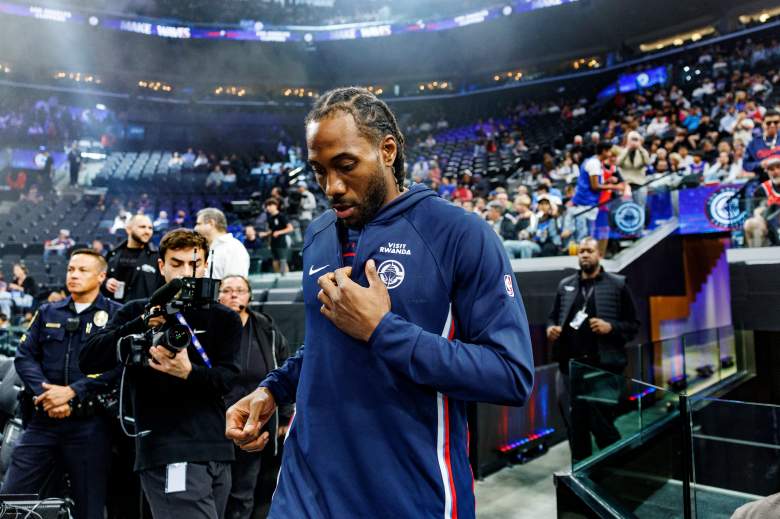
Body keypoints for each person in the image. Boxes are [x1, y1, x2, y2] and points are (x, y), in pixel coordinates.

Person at [225, 87, 534, 518]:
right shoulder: (316, 237)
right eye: (318, 171)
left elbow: (510, 376)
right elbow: (323, 345)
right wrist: (273, 389)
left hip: (406, 496)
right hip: (304, 490)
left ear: (387, 150)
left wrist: (382, 330)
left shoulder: (459, 234)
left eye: (345, 166)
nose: (331, 187)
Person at [80, 229, 242, 519]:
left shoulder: (224, 317)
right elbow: (89, 360)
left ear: (205, 265)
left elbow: (228, 380)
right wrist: (141, 323)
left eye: (193, 264)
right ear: (161, 266)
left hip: (218, 449)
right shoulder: (136, 311)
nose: (184, 272)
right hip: (166, 447)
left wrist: (188, 373)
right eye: (175, 264)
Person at [2, 249, 121, 519]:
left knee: (89, 507)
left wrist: (71, 393)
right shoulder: (47, 312)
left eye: (82, 270)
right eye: (70, 270)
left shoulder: (116, 316)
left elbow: (117, 367)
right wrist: (49, 394)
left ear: (101, 276)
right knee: (11, 498)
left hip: (89, 425)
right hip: (42, 421)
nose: (74, 275)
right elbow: (24, 357)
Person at [546, 237, 639, 460]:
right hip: (569, 368)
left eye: (589, 251)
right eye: (581, 251)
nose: (584, 255)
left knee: (601, 424)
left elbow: (633, 325)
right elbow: (552, 317)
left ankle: (616, 470)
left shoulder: (618, 284)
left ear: (599, 255)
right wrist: (551, 329)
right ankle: (581, 472)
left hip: (602, 369)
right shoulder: (566, 285)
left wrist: (611, 327)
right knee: (575, 425)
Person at [218, 276, 294, 519]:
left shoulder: (265, 327)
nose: (233, 295)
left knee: (246, 492)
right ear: (218, 295)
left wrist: (283, 415)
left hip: (256, 422)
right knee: (220, 491)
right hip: (217, 422)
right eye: (227, 290)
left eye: (239, 290)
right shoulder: (210, 328)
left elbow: (284, 366)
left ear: (249, 296)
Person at [104, 214, 163, 303]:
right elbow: (99, 278)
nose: (148, 231)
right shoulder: (113, 254)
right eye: (142, 227)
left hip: (141, 313)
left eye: (150, 228)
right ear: (128, 229)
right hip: (114, 312)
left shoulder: (157, 257)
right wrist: (106, 282)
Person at [571, 143, 621, 242]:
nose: (611, 154)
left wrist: (607, 181)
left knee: (589, 235)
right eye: (610, 151)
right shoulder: (594, 163)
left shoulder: (594, 161)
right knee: (586, 237)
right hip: (585, 203)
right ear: (604, 151)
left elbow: (596, 183)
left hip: (588, 202)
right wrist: (615, 186)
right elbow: (595, 187)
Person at [195, 208, 250, 279]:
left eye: (199, 224)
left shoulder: (233, 248)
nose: (195, 228)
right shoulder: (208, 248)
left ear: (211, 223)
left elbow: (234, 286)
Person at [744, 110, 780, 182]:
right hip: (764, 182)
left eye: (776, 122)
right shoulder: (754, 143)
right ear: (763, 124)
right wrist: (759, 164)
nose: (772, 125)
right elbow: (746, 164)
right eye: (768, 123)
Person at [259, 199, 293, 275]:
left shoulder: (281, 216)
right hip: (273, 243)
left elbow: (290, 228)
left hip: (282, 241)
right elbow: (271, 231)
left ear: (275, 206)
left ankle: (285, 278)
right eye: (267, 206)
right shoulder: (270, 218)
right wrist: (265, 234)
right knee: (275, 262)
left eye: (270, 205)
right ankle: (278, 279)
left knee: (282, 261)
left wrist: (279, 232)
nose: (268, 207)